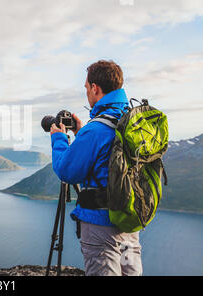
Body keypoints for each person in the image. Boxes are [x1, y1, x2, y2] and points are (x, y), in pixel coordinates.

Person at [49, 60, 143, 276]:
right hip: (129, 219)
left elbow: (67, 171)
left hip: (102, 226)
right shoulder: (130, 120)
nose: (87, 93)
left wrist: (59, 139)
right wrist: (82, 133)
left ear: (95, 88)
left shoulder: (97, 129)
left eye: (86, 87)